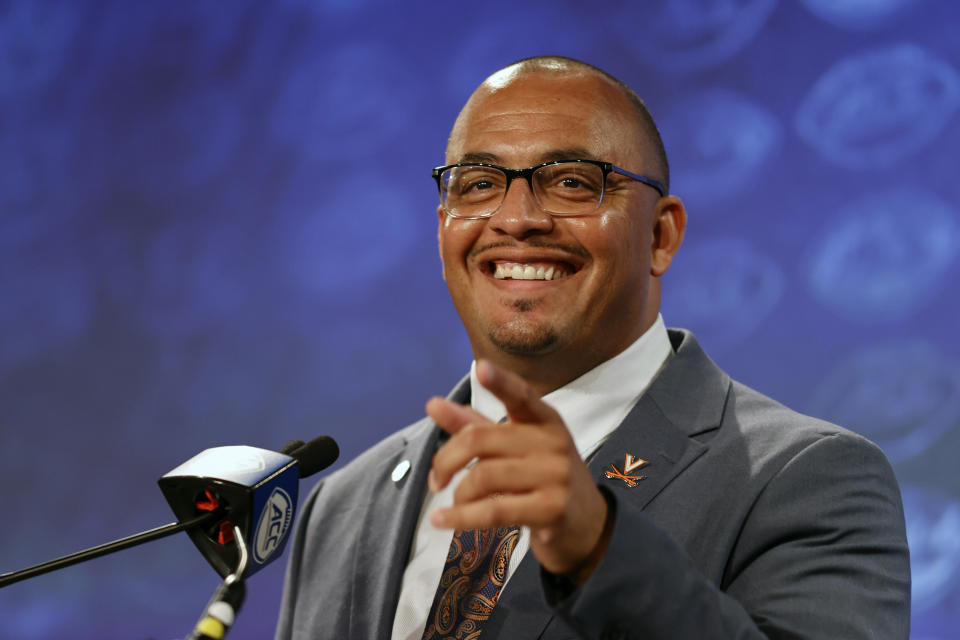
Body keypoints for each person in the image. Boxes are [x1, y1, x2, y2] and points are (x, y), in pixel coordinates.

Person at [274, 56, 910, 639]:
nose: (516, 217)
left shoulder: (807, 479)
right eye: (477, 185)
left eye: (573, 183)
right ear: (444, 229)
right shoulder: (344, 504)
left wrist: (599, 547)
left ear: (661, 235)